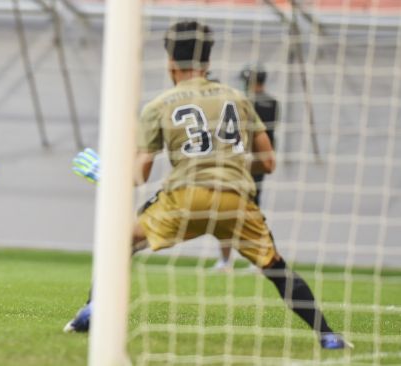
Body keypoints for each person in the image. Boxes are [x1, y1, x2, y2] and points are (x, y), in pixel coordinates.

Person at [64, 21, 350, 350]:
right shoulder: (238, 99)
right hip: (236, 200)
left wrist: (109, 175)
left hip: (185, 198)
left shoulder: (158, 105)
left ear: (170, 62)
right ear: (208, 63)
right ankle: (327, 334)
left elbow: (139, 174)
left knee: (118, 244)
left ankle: (96, 309)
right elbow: (268, 162)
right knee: (275, 267)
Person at [213, 64, 280, 271]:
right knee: (253, 210)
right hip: (260, 161)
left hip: (241, 161)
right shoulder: (273, 103)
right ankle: (260, 258)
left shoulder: (244, 102)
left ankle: (226, 261)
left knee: (227, 210)